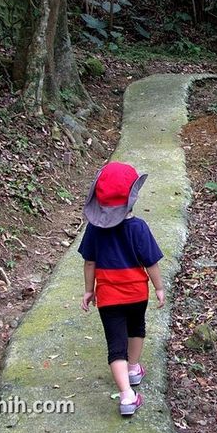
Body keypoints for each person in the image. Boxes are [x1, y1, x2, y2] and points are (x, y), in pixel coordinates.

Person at [77, 161, 166, 417]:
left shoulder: (94, 230)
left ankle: (127, 395)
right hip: (137, 293)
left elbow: (90, 262)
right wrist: (159, 288)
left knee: (115, 345)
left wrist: (88, 290)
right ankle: (134, 368)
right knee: (137, 328)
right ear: (132, 198)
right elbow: (151, 262)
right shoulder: (139, 228)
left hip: (108, 296)